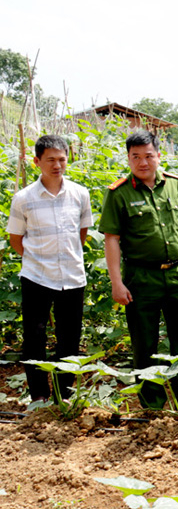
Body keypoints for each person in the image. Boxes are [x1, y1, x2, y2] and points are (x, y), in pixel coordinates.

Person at [98, 130, 178, 410]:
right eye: (136, 157)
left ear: (159, 155)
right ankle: (152, 406)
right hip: (141, 277)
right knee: (145, 343)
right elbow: (112, 240)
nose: (143, 162)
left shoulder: (176, 186)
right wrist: (116, 282)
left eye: (148, 155)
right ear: (129, 159)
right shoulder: (118, 194)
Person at [7, 135, 93, 405]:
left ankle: (63, 395)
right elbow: (16, 239)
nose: (57, 165)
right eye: (51, 160)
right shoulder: (24, 199)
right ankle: (39, 396)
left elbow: (82, 233)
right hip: (36, 277)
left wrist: (64, 257)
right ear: (37, 162)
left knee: (69, 337)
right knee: (34, 337)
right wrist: (38, 260)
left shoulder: (80, 194)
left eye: (62, 159)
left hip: (72, 276)